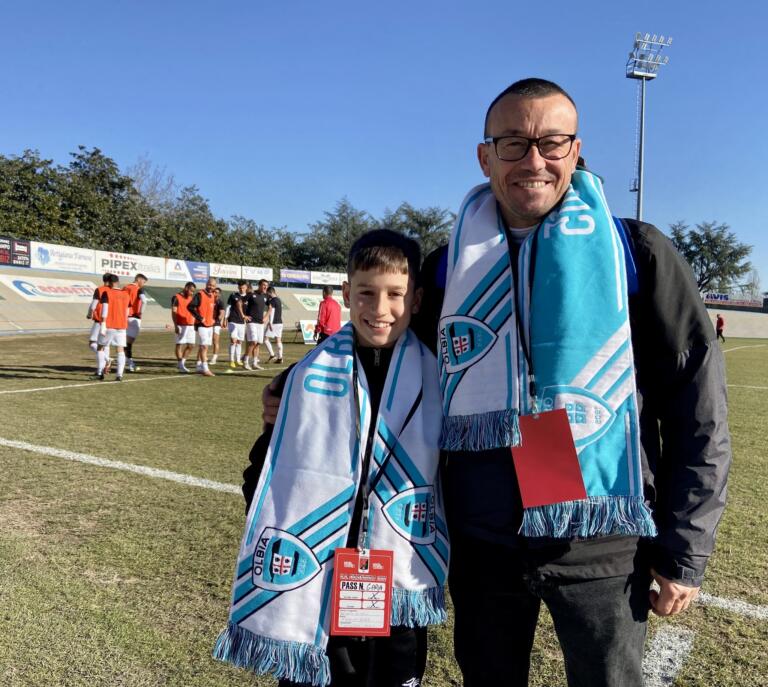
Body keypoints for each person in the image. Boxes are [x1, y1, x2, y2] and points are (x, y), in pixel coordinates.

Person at [264, 79, 732, 687]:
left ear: (576, 149)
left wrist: (684, 550)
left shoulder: (632, 252)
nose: (533, 161)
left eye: (551, 142)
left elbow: (698, 406)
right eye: (513, 143)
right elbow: (389, 346)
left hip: (600, 535)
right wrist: (295, 379)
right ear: (485, 157)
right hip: (483, 534)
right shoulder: (448, 263)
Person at [214, 230, 448, 687]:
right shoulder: (305, 376)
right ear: (346, 294)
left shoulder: (439, 380)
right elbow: (269, 464)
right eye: (366, 293)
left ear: (416, 300)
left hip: (398, 575)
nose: (379, 309)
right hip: (318, 570)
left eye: (395, 294)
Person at [94, 274, 131, 381]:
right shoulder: (126, 294)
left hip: (109, 325)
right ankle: (119, 375)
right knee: (120, 350)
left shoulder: (107, 293)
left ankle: (100, 372)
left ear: (109, 283)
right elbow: (127, 312)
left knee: (100, 347)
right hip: (122, 326)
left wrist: (103, 324)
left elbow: (104, 310)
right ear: (118, 282)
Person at [188, 277, 218, 377]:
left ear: (215, 286)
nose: (211, 287)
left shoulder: (213, 295)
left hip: (210, 325)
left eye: (213, 285)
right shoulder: (199, 294)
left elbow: (212, 309)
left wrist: (214, 318)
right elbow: (190, 307)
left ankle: (198, 366)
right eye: (209, 284)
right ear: (206, 284)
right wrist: (200, 318)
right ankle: (205, 368)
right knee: (204, 346)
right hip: (201, 325)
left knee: (204, 346)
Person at [86, 272, 114, 376]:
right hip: (112, 321)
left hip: (100, 320)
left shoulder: (100, 290)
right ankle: (103, 368)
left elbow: (93, 305)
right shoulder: (114, 291)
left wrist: (89, 314)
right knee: (105, 345)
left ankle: (107, 359)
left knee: (93, 343)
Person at [122, 273, 148, 372]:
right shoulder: (138, 289)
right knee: (128, 343)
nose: (143, 284)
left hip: (124, 317)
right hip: (134, 318)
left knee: (124, 342)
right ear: (138, 279)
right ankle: (130, 364)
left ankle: (127, 362)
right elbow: (144, 301)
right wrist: (140, 312)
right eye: (143, 282)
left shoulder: (125, 287)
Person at [171, 282, 197, 373]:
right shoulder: (176, 297)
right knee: (179, 344)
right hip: (180, 324)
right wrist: (175, 325)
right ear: (186, 288)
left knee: (191, 345)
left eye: (193, 292)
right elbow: (174, 312)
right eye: (191, 291)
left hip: (191, 325)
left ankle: (182, 363)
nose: (192, 293)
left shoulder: (191, 298)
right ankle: (180, 364)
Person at [244, 279, 269, 370]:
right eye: (263, 285)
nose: (265, 287)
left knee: (258, 343)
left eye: (266, 285)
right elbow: (241, 303)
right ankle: (246, 361)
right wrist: (244, 315)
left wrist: (266, 316)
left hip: (260, 323)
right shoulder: (251, 295)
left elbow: (270, 307)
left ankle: (255, 363)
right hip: (251, 322)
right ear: (259, 285)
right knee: (253, 341)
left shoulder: (266, 296)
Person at [225, 280, 249, 371]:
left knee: (239, 342)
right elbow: (228, 307)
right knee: (233, 340)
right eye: (240, 287)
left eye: (243, 287)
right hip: (233, 320)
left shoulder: (248, 297)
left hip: (242, 323)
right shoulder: (233, 295)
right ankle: (231, 360)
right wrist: (226, 318)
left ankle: (238, 360)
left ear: (246, 287)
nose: (241, 289)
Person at [264, 285, 284, 364]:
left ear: (270, 292)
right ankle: (280, 357)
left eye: (268, 293)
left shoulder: (272, 301)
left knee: (265, 339)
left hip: (274, 323)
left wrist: (270, 323)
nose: (268, 295)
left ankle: (272, 355)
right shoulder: (278, 300)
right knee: (278, 340)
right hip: (280, 322)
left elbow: (272, 312)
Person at [211, 286, 225, 365]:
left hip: (216, 323)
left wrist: (218, 319)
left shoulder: (220, 302)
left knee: (215, 340)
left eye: (217, 292)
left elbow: (222, 312)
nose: (215, 294)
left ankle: (214, 358)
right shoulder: (209, 300)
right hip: (207, 323)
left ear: (219, 294)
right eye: (214, 292)